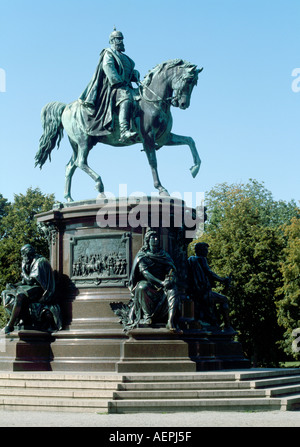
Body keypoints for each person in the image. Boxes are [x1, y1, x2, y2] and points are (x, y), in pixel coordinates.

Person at [112, 229, 181, 332]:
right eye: (153, 237)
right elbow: (146, 274)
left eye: (157, 237)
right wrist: (160, 282)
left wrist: (170, 279)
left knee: (173, 290)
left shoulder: (163, 254)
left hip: (163, 283)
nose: (156, 239)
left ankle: (170, 321)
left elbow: (170, 269)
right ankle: (147, 317)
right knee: (142, 287)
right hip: (149, 282)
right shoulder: (143, 255)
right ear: (147, 240)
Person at [78, 27, 140, 142]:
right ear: (112, 41)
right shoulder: (109, 53)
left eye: (122, 39)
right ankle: (124, 131)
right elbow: (108, 67)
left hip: (126, 86)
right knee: (125, 99)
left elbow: (129, 72)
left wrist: (135, 74)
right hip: (113, 87)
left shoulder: (127, 59)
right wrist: (118, 81)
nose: (121, 42)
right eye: (118, 39)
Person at [1, 244, 62, 334]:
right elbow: (24, 282)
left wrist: (23, 273)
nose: (22, 257)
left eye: (23, 254)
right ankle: (21, 318)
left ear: (28, 254)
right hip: (30, 287)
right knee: (6, 293)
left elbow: (30, 281)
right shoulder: (27, 261)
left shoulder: (40, 261)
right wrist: (13, 285)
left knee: (20, 296)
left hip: (41, 289)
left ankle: (10, 325)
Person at [187, 242, 235, 333]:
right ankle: (228, 327)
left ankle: (215, 324)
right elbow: (209, 273)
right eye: (205, 249)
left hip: (195, 292)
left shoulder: (191, 260)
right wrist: (223, 280)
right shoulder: (201, 259)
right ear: (200, 250)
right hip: (203, 292)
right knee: (224, 299)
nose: (207, 252)